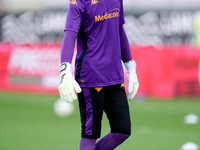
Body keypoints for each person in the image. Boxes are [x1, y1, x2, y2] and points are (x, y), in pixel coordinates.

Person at [58, 0, 139, 149]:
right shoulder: (79, 2)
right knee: (90, 135)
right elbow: (69, 36)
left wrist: (130, 67)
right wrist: (65, 70)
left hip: (114, 75)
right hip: (90, 76)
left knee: (122, 130)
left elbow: (119, 30)